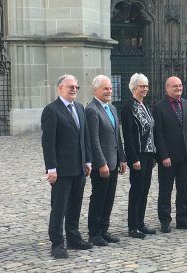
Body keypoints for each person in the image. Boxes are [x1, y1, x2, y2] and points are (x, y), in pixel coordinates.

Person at [41, 74, 93, 259]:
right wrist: (51, 168)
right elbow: (48, 142)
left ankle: (73, 237)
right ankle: (57, 243)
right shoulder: (51, 110)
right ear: (60, 88)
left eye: (76, 87)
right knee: (59, 207)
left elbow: (84, 137)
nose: (74, 89)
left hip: (79, 168)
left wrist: (88, 161)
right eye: (70, 86)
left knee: (75, 205)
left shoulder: (79, 108)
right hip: (61, 170)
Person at [152, 76, 187, 233]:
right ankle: (165, 220)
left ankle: (182, 218)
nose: (178, 88)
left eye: (180, 85)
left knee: (183, 189)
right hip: (168, 158)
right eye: (175, 86)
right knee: (165, 190)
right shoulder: (159, 107)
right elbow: (158, 134)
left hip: (186, 156)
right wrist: (163, 156)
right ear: (167, 88)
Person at [85, 75, 127, 246]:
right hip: (101, 164)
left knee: (109, 197)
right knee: (99, 197)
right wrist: (101, 163)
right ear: (96, 90)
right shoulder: (92, 110)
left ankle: (104, 229)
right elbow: (93, 140)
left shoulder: (112, 109)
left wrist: (122, 159)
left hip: (113, 161)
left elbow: (117, 136)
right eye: (105, 88)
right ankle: (94, 233)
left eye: (110, 88)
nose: (109, 91)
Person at [122, 73, 157, 238]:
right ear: (134, 87)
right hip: (138, 155)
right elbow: (128, 136)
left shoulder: (145, 105)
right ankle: (133, 226)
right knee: (136, 189)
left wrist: (154, 154)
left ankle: (140, 222)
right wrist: (133, 158)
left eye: (146, 86)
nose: (145, 89)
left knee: (145, 189)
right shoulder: (129, 107)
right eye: (142, 86)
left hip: (148, 154)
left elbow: (151, 131)